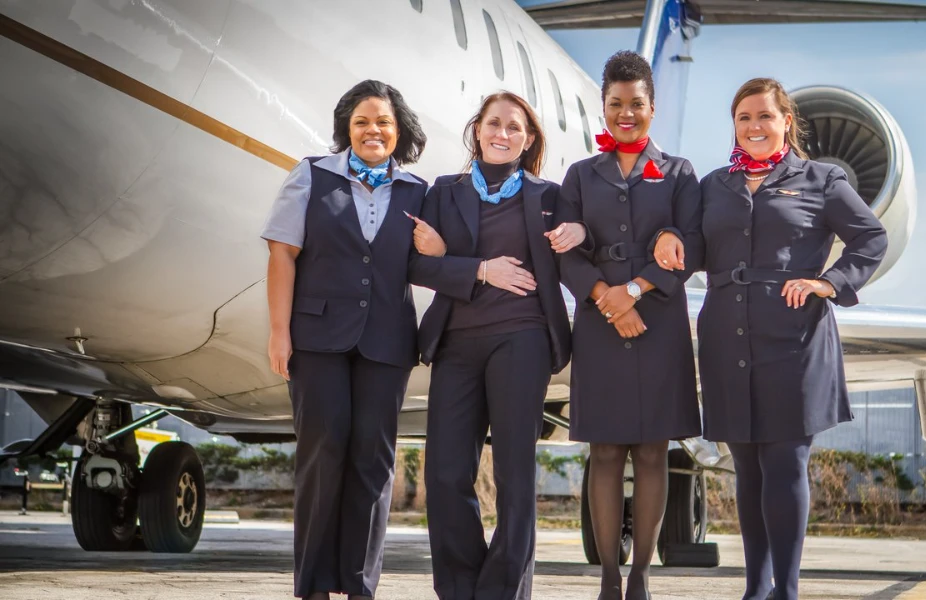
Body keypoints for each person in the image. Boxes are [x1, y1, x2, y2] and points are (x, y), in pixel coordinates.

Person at [697, 77, 888, 600]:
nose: (754, 127)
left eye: (764, 116)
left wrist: (830, 281)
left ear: (786, 121)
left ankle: (787, 591)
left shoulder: (820, 179)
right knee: (747, 467)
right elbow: (690, 246)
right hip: (726, 337)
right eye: (743, 118)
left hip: (794, 337)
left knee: (784, 461)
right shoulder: (714, 185)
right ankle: (755, 589)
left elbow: (871, 236)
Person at [261, 79, 428, 600]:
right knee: (322, 452)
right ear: (346, 130)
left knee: (373, 463)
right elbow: (282, 255)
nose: (373, 130)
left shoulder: (419, 192)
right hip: (316, 339)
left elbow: (434, 261)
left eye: (383, 122)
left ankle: (359, 585)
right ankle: (312, 586)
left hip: (387, 342)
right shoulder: (310, 176)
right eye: (361, 122)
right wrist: (278, 332)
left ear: (399, 132)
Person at [408, 91, 572, 600]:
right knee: (445, 473)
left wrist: (582, 228)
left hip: (522, 340)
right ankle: (460, 588)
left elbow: (584, 247)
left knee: (514, 476)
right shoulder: (442, 191)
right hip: (456, 341)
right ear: (477, 129)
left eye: (514, 127)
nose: (502, 133)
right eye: (494, 123)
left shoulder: (550, 196)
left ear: (528, 140)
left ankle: (503, 591)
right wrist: (479, 268)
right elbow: (415, 264)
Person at [554, 51, 703, 600]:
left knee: (650, 450)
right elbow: (565, 255)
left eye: (635, 104)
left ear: (652, 108)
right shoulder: (578, 175)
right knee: (606, 452)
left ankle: (640, 575)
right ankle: (609, 577)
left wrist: (634, 290)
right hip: (598, 323)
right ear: (603, 107)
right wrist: (605, 297)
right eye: (615, 104)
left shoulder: (681, 173)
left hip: (659, 319)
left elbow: (695, 244)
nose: (625, 114)